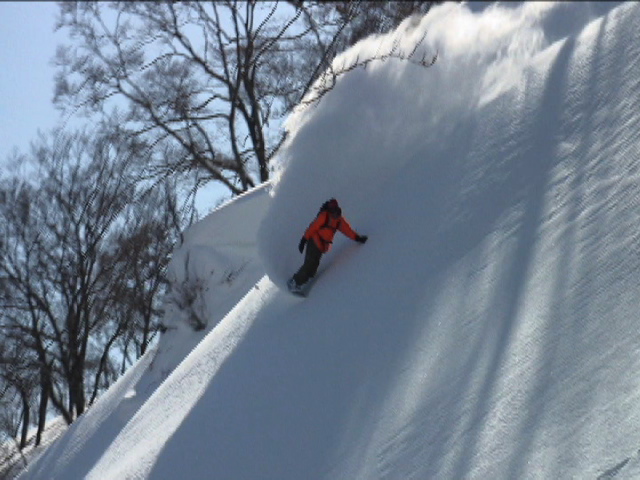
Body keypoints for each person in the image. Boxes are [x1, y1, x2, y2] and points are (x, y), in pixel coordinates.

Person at [288, 198, 368, 293]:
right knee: (310, 264)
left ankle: (299, 283)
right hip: (314, 241)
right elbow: (313, 227)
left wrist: (357, 238)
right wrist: (304, 240)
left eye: (336, 211)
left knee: (313, 267)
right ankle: (294, 282)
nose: (334, 214)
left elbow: (348, 231)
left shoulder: (339, 220)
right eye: (332, 211)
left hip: (321, 246)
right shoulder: (324, 216)